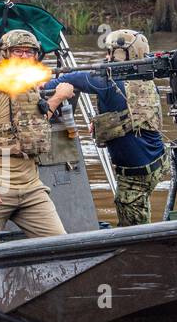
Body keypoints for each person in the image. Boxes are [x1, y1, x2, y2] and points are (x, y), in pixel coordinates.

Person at [0, 29, 74, 243]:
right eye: (17, 51)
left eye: (29, 52)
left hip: (31, 185)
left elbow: (37, 122)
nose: (23, 56)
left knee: (59, 243)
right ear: (5, 55)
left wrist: (57, 98)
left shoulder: (31, 89)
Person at [45, 28, 168, 226]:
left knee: (133, 229)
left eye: (111, 52)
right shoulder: (146, 77)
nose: (106, 56)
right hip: (158, 161)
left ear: (123, 54)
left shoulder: (106, 81)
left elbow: (66, 80)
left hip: (135, 174)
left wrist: (38, 85)